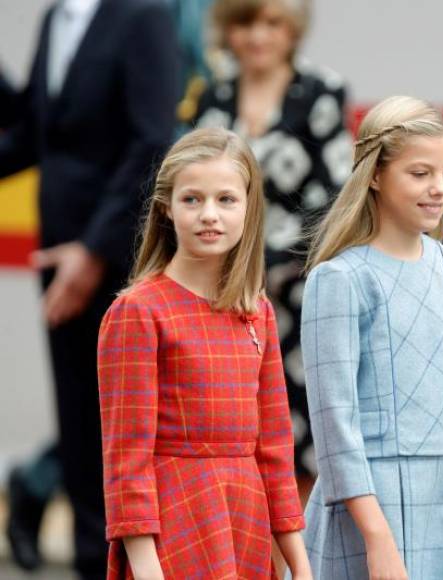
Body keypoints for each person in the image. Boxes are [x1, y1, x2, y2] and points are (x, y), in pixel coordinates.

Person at [300, 96, 443, 580]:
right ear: (375, 175)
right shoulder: (340, 279)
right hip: (369, 507)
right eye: (420, 173)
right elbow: (335, 426)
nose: (439, 188)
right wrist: (378, 539)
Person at [0, 1, 179, 577]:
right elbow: (34, 133)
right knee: (78, 418)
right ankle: (88, 560)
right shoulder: (58, 16)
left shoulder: (143, 15)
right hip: (58, 249)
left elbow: (152, 138)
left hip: (119, 254)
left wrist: (96, 248)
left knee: (122, 424)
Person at [97, 128, 311, 580]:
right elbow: (126, 462)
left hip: (246, 527)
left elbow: (274, 450)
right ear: (165, 207)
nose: (208, 215)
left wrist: (300, 564)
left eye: (226, 200)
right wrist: (147, 568)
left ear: (250, 207)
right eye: (192, 199)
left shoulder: (257, 312)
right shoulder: (137, 312)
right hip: (173, 530)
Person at [194, 0, 352, 485]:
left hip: (297, 294)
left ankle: (300, 560)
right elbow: (191, 185)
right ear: (227, 30)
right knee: (234, 432)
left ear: (292, 30)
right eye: (244, 23)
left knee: (301, 435)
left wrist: (268, 266)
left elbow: (336, 196)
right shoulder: (211, 98)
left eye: (271, 23)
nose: (257, 36)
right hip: (223, 295)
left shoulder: (321, 92)